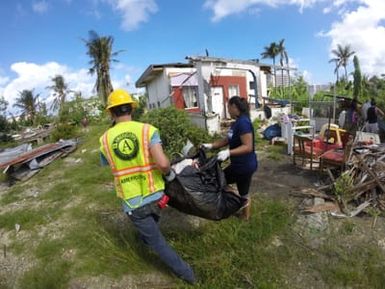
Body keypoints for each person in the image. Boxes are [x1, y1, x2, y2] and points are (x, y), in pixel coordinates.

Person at [99, 89, 195, 284]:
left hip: (133, 201)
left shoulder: (104, 140)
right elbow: (163, 163)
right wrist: (169, 175)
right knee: (151, 225)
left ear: (111, 113)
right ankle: (145, 239)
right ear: (132, 108)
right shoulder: (147, 130)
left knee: (157, 243)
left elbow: (111, 164)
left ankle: (188, 275)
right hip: (157, 195)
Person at [202, 96, 258, 220]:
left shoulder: (243, 122)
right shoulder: (237, 122)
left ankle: (239, 210)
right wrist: (211, 145)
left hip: (244, 165)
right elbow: (227, 139)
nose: (227, 110)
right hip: (241, 165)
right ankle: (243, 213)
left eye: (228, 107)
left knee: (222, 181)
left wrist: (228, 153)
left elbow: (248, 147)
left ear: (234, 107)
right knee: (237, 187)